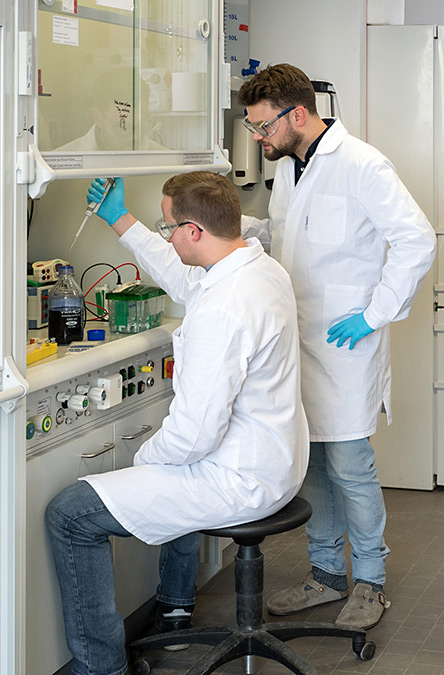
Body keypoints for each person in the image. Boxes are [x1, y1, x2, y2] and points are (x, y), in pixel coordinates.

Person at [45, 171, 308, 675]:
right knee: (169, 475)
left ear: (194, 232)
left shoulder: (225, 309)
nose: (167, 237)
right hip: (277, 461)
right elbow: (185, 276)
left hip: (240, 478)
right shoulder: (256, 268)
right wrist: (120, 219)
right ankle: (174, 606)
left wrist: (141, 466)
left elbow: (193, 436)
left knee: (71, 514)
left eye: (169, 229)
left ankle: (101, 669)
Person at [237, 64, 436, 629]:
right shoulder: (292, 170)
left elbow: (415, 240)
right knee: (314, 465)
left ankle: (370, 581)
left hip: (348, 344)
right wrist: (238, 229)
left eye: (262, 126)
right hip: (297, 341)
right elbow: (291, 235)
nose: (258, 138)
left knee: (350, 466)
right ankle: (325, 575)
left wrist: (374, 314)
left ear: (296, 113)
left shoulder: (361, 163)